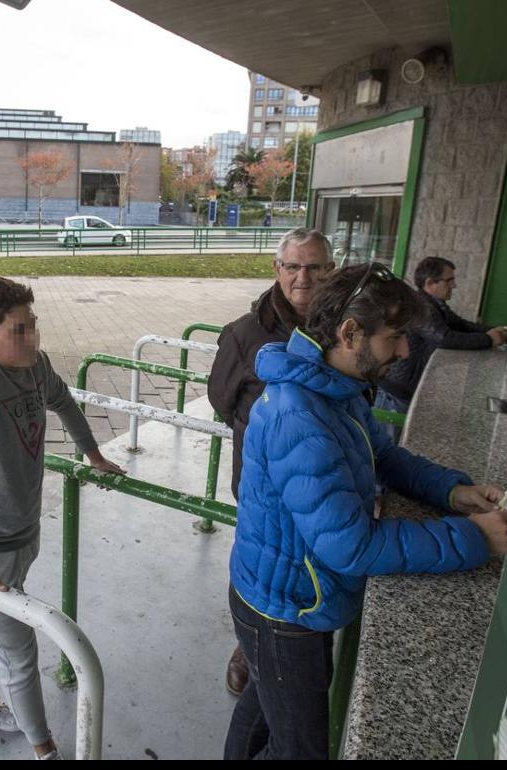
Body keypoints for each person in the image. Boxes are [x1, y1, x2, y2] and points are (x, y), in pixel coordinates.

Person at [224, 263, 507, 760]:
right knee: (300, 748)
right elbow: (352, 545)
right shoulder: (301, 416)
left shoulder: (334, 388)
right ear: (349, 332)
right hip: (285, 608)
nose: (403, 351)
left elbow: (382, 454)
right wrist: (473, 539)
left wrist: (453, 492)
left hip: (295, 596)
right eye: (395, 338)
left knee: (267, 708)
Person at [0, 277, 125, 760]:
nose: (33, 337)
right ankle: (45, 750)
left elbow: (62, 399)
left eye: (33, 324)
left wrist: (93, 454)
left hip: (20, 532)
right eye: (20, 329)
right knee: (20, 651)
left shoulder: (33, 365)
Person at [208, 227, 334, 696]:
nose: (304, 277)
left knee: (317, 558)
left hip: (327, 478)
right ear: (277, 270)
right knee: (264, 564)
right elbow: (222, 399)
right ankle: (250, 646)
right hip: (264, 482)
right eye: (293, 266)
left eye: (315, 266)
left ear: (331, 270)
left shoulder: (346, 328)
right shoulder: (246, 334)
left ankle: (308, 633)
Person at [376, 257, 507, 434]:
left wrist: (496, 331)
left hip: (405, 391)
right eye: (449, 280)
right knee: (387, 448)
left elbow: (462, 325)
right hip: (395, 394)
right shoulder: (422, 307)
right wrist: (489, 339)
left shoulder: (436, 306)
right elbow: (444, 338)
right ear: (430, 283)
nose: (453, 286)